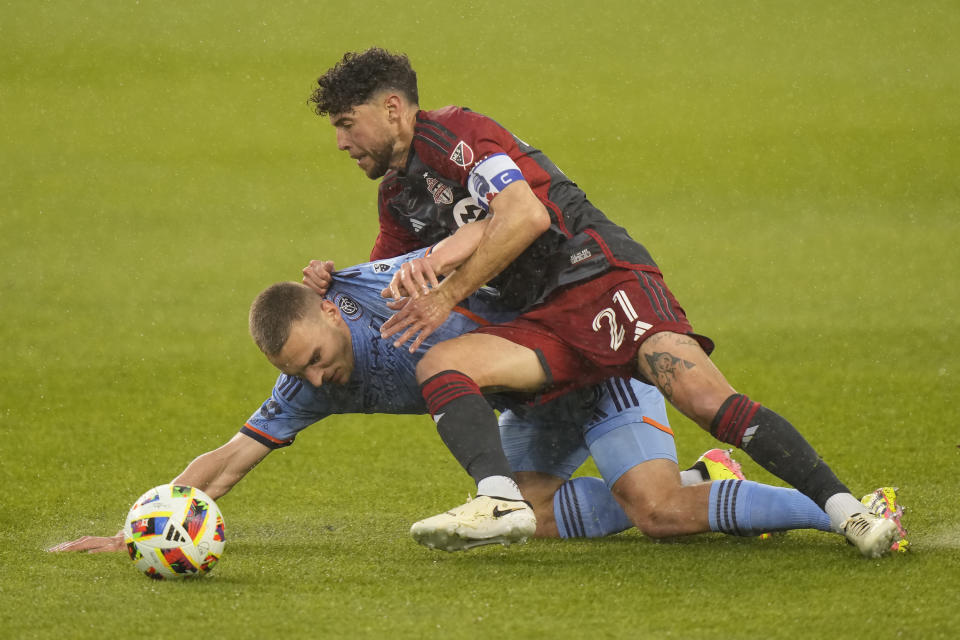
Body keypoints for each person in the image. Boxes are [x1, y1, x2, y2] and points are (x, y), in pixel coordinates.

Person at [305, 47, 903, 557]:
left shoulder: (457, 132)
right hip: (539, 321)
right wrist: (336, 282)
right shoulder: (399, 196)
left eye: (345, 123)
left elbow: (527, 215)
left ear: (392, 109)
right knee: (450, 368)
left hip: (599, 278)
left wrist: (449, 295)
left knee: (703, 399)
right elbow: (391, 277)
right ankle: (500, 499)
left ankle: (850, 509)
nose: (339, 142)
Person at [48, 237, 872, 555]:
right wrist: (140, 528)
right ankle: (702, 482)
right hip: (529, 411)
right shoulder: (309, 386)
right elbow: (227, 462)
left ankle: (837, 509)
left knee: (652, 514)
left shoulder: (381, 285)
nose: (316, 378)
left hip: (586, 367)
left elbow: (493, 229)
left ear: (334, 309)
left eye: (318, 357)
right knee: (528, 514)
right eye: (297, 371)